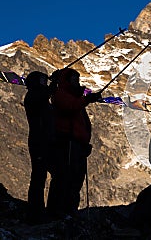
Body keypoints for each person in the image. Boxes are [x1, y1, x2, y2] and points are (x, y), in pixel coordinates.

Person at [47, 68, 101, 217]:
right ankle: (58, 212)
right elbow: (68, 107)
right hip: (67, 143)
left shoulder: (73, 97)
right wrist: (87, 99)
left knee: (75, 180)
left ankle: (69, 211)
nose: (77, 83)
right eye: (74, 80)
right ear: (66, 81)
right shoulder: (61, 94)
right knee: (65, 178)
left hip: (77, 145)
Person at [23, 71, 54, 224]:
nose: (45, 83)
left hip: (41, 140)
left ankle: (37, 211)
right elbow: (44, 96)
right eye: (43, 80)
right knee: (38, 178)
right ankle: (35, 213)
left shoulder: (37, 96)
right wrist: (53, 85)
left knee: (40, 177)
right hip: (39, 141)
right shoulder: (33, 96)